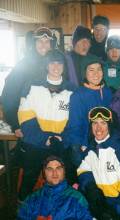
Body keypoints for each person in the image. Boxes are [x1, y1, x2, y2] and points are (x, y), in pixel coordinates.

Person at [17, 49, 74, 201]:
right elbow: (25, 116)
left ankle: (59, 210)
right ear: (46, 65)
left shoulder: (72, 90)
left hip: (60, 143)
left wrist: (63, 138)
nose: (56, 67)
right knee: (29, 177)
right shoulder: (32, 86)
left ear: (64, 66)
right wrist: (43, 138)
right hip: (35, 142)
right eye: (52, 63)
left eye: (59, 63)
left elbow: (75, 120)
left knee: (62, 179)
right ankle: (23, 207)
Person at [1, 27, 54, 137]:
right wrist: (15, 124)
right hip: (28, 124)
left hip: (51, 123)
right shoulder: (23, 65)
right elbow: (8, 96)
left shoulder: (55, 64)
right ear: (34, 43)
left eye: (47, 41)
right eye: (40, 41)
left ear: (51, 44)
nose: (43, 45)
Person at [17, 155, 92, 220]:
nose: (54, 173)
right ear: (44, 173)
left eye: (58, 168)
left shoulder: (77, 199)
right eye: (49, 169)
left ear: (64, 171)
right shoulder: (33, 199)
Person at [64, 55, 112, 149]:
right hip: (86, 144)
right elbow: (75, 126)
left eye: (99, 69)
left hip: (106, 143)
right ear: (85, 73)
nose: (96, 74)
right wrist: (78, 147)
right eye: (91, 70)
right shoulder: (78, 95)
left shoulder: (107, 92)